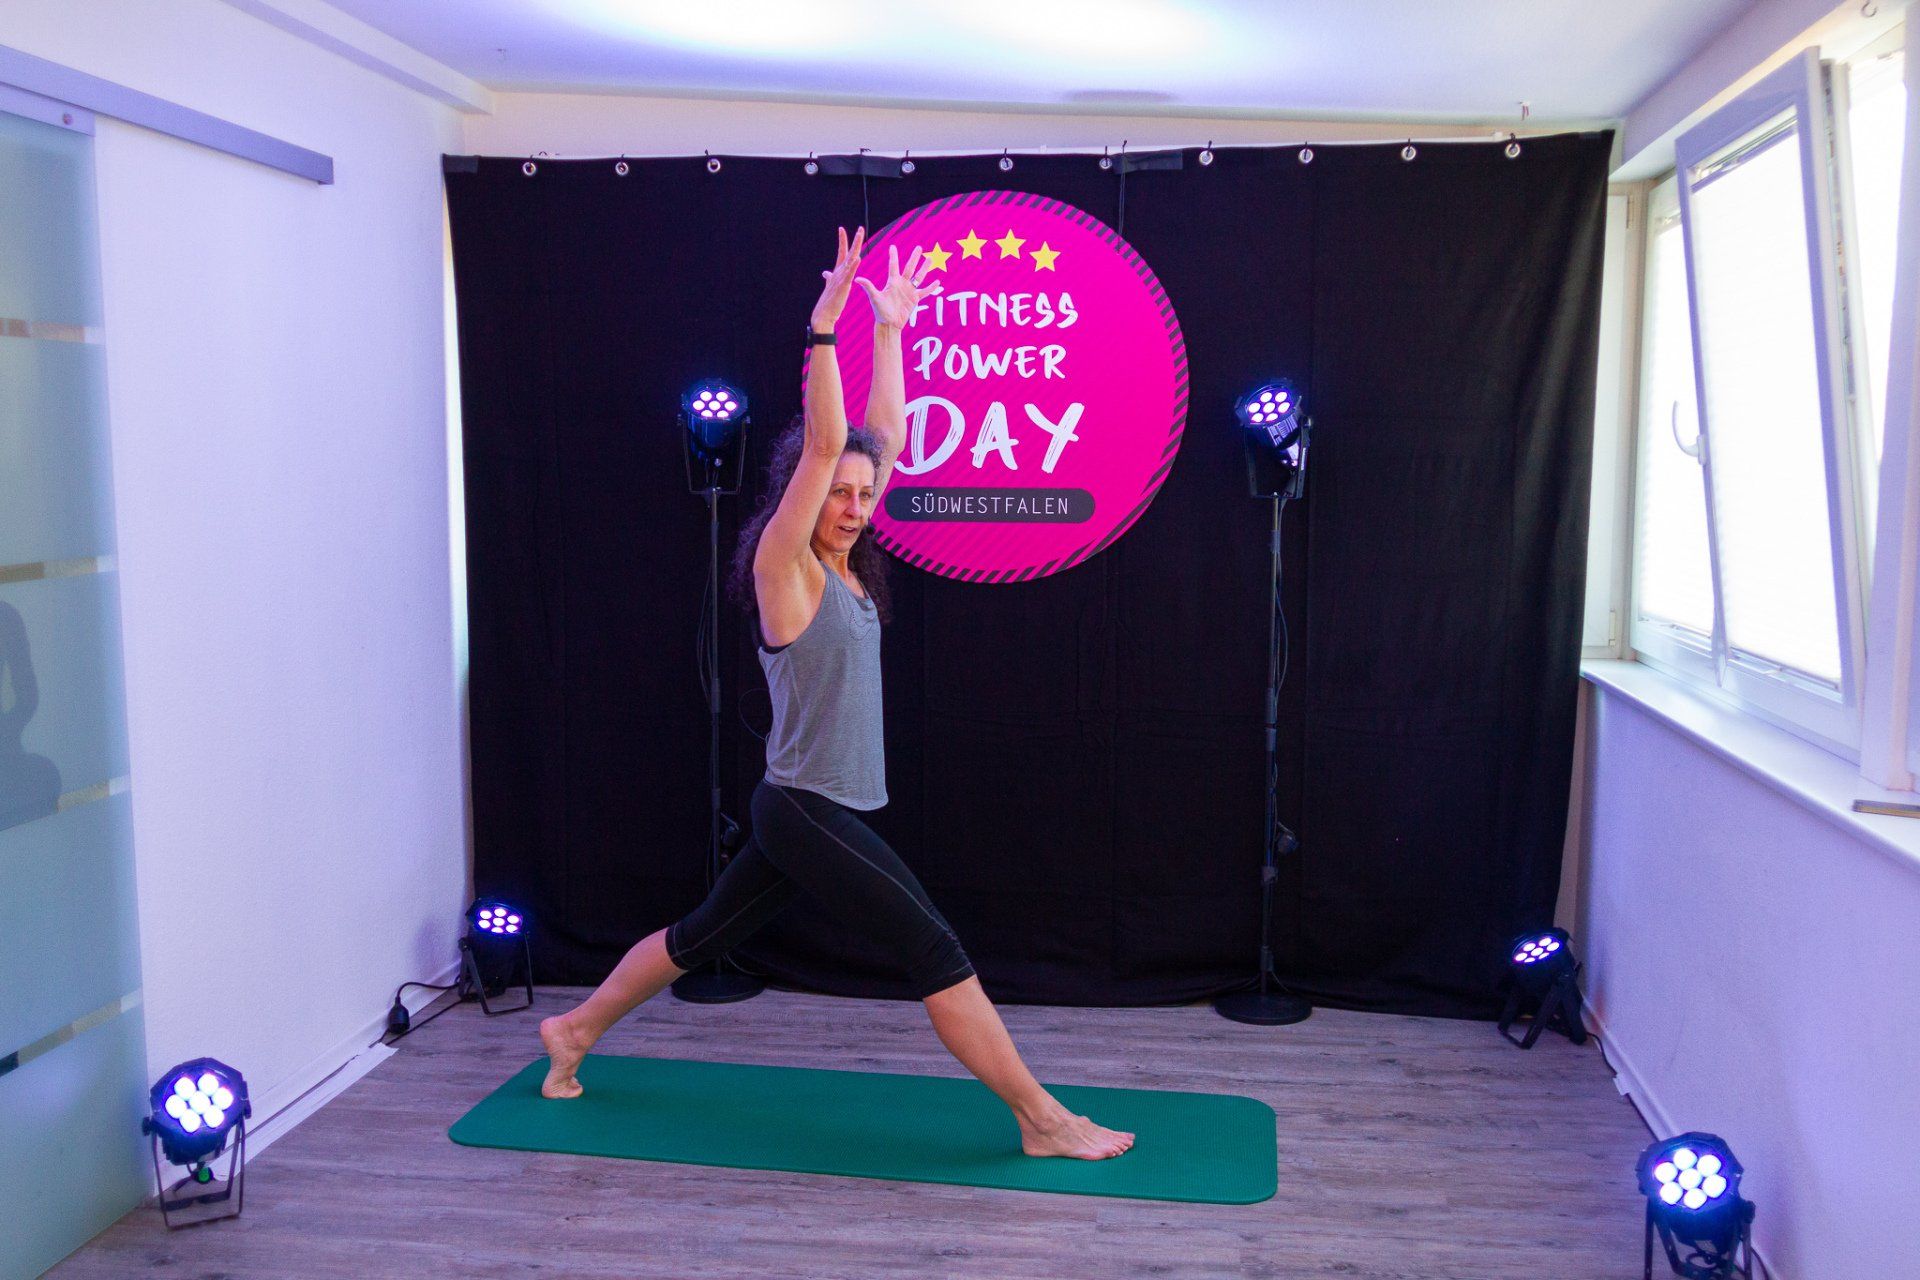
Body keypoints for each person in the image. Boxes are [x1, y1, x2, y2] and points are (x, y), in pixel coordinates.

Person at [539, 226, 1134, 1161]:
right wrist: (825, 328)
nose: (856, 506)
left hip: (808, 806)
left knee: (698, 936)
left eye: (865, 493)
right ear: (804, 495)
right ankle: (1041, 1119)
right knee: (935, 950)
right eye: (839, 493)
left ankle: (572, 1030)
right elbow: (830, 441)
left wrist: (890, 329)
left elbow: (876, 437)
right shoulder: (787, 569)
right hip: (805, 810)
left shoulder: (851, 562)